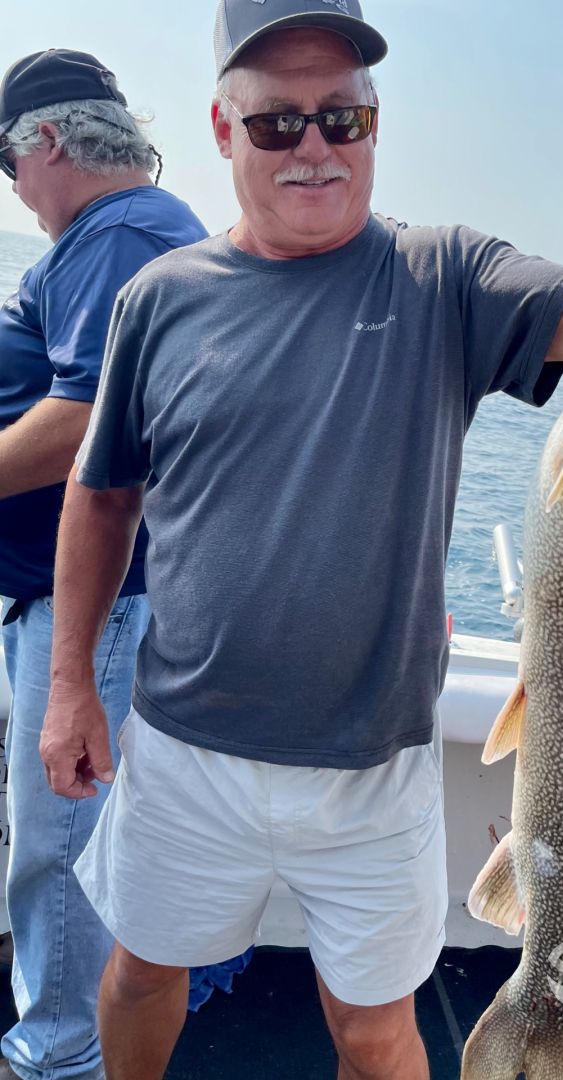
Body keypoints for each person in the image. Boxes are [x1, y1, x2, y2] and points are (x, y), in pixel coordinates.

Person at [40, 2, 563, 1078]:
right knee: (141, 973)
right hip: (183, 747)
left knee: (373, 1028)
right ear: (223, 130)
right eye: (277, 123)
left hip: (376, 765)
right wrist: (69, 689)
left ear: (376, 122)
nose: (314, 147)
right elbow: (101, 498)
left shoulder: (442, 275)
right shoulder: (157, 300)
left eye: (344, 117)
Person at [0, 48, 207, 1080]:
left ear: (45, 141)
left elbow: (85, 419)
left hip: (98, 605)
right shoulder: (124, 231)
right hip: (88, 601)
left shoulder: (115, 232)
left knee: (59, 850)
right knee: (65, 840)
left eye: (7, 166)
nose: (14, 190)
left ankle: (58, 1060)